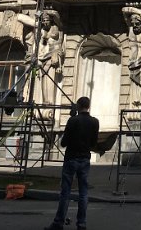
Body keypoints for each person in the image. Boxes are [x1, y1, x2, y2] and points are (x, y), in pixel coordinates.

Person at [45, 96, 100, 230]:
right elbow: (94, 143)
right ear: (88, 106)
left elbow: (63, 142)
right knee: (84, 193)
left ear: (78, 106)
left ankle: (58, 223)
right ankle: (81, 224)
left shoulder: (73, 120)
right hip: (85, 159)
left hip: (71, 158)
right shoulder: (95, 122)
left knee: (65, 192)